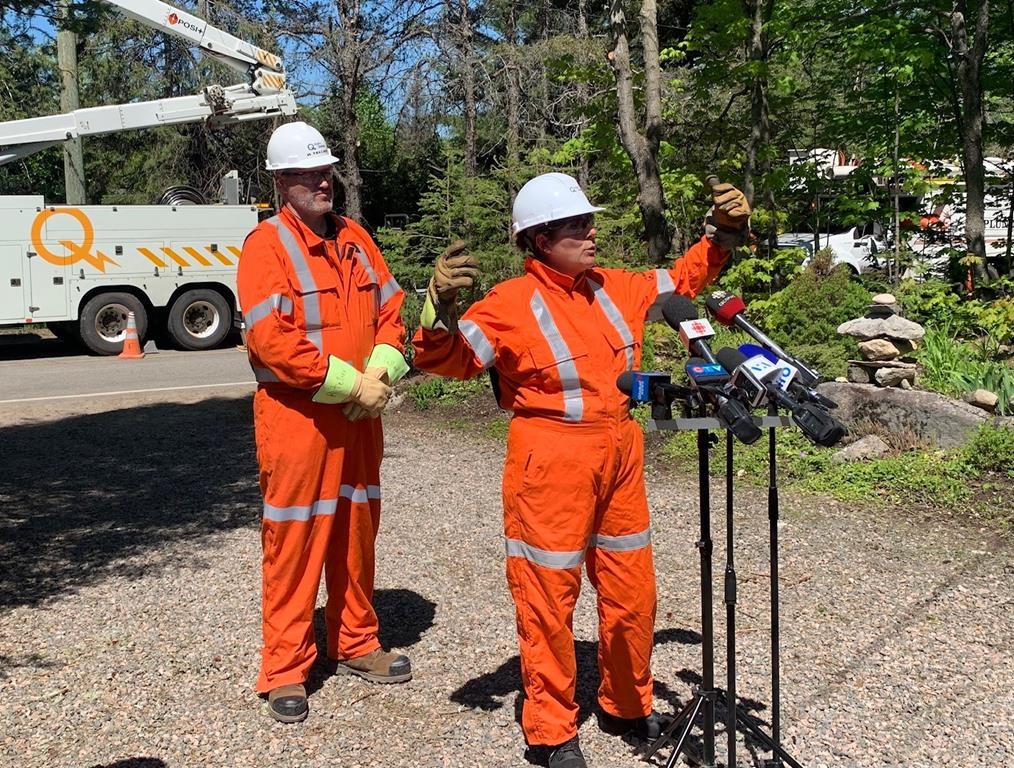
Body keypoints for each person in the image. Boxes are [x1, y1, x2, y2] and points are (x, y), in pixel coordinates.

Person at [412, 172, 749, 767]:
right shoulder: (507, 305)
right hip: (550, 459)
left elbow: (685, 280)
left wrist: (722, 234)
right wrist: (436, 309)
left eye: (589, 222)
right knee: (548, 596)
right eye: (576, 225)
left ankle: (625, 701)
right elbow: (453, 362)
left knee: (631, 587)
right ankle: (550, 730)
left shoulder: (615, 287)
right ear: (540, 239)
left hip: (620, 450)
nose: (591, 232)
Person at [237, 121, 412, 724]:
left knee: (357, 531)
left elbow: (394, 312)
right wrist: (349, 384)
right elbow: (269, 341)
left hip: (360, 417)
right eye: (308, 173)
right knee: (295, 540)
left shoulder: (357, 238)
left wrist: (382, 375)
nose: (322, 181)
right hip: (299, 421)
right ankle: (285, 667)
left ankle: (356, 640)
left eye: (325, 170)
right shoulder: (266, 246)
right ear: (281, 181)